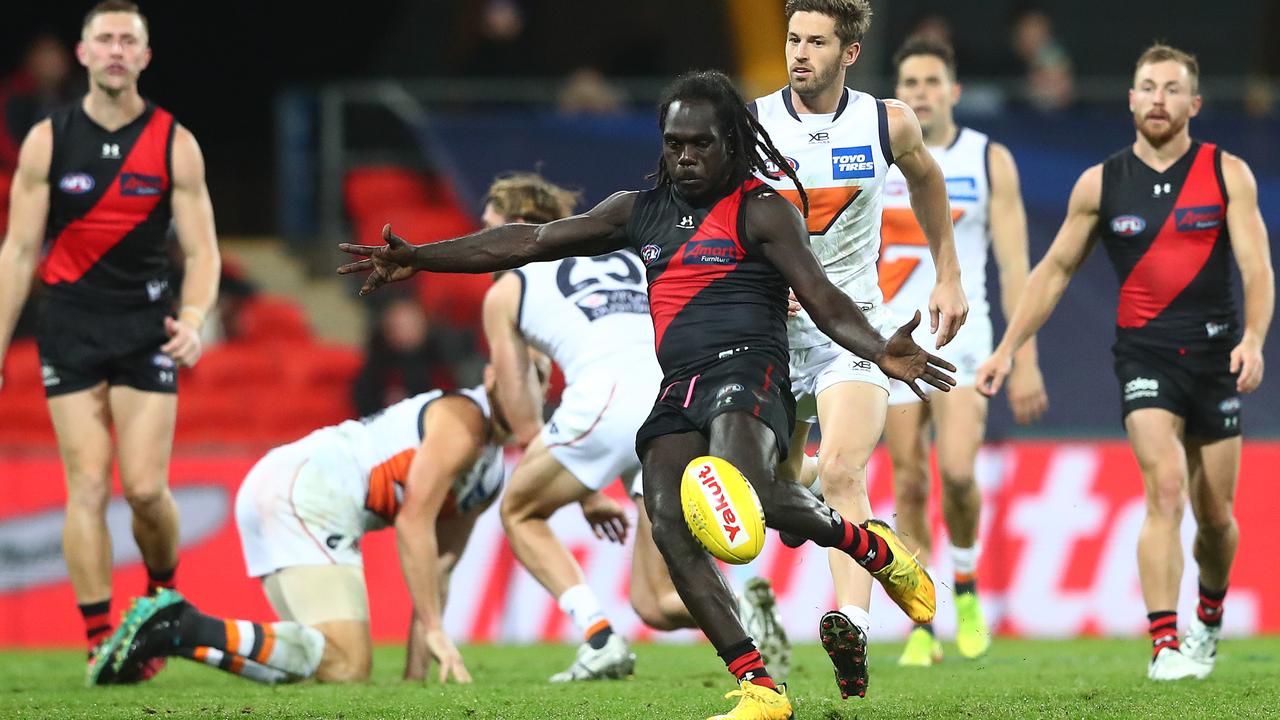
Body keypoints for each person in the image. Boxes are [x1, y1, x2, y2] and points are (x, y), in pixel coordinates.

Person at [340, 69, 954, 719]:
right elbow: (532, 240)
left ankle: (873, 551)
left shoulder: (764, 210)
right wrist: (424, 257)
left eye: (700, 144)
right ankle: (763, 686)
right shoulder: (638, 211)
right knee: (669, 518)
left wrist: (879, 348)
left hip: (752, 370)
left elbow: (824, 296)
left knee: (744, 500)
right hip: (678, 385)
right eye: (674, 143)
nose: (685, 156)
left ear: (732, 143)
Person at [977, 44, 1273, 681]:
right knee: (1164, 488)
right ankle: (1164, 645)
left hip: (1217, 357)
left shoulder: (1228, 174)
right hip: (1145, 357)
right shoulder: (1100, 184)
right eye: (1148, 87)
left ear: (1193, 103)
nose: (1159, 98)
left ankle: (1209, 619)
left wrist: (1252, 338)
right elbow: (1053, 272)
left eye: (1172, 89)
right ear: (1131, 98)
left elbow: (1257, 268)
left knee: (1217, 517)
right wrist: (1007, 349)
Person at [748, 0, 967, 698]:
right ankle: (797, 491)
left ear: (849, 52)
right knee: (771, 501)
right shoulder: (749, 123)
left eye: (816, 41)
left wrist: (949, 273)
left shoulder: (885, 121)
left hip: (855, 329)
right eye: (792, 39)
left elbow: (928, 178)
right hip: (771, 334)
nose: (799, 53)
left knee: (844, 467)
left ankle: (853, 628)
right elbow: (720, 216)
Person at [0, 0, 219, 679]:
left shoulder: (174, 142)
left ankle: (158, 605)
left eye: (130, 40)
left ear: (145, 57)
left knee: (146, 491)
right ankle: (100, 640)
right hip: (69, 326)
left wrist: (196, 316)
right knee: (87, 485)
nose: (118, 49)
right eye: (106, 39)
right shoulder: (47, 139)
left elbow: (205, 252)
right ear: (85, 53)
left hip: (145, 325)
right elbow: (16, 251)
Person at [98, 362, 546, 684]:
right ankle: (183, 625)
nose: (528, 388)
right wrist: (433, 629)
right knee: (346, 664)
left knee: (324, 662)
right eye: (520, 373)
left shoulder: (489, 473)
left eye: (539, 379)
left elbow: (440, 567)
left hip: (299, 488)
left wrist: (416, 676)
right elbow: (414, 523)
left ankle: (177, 636)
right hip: (309, 489)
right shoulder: (463, 423)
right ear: (491, 375)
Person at [879, 37, 1048, 666]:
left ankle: (968, 584)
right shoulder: (879, 152)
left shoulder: (987, 158)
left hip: (964, 339)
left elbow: (1015, 263)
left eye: (931, 81)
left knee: (954, 472)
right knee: (909, 479)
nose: (920, 92)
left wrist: (1022, 355)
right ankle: (923, 621)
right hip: (895, 341)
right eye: (910, 83)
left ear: (953, 90)